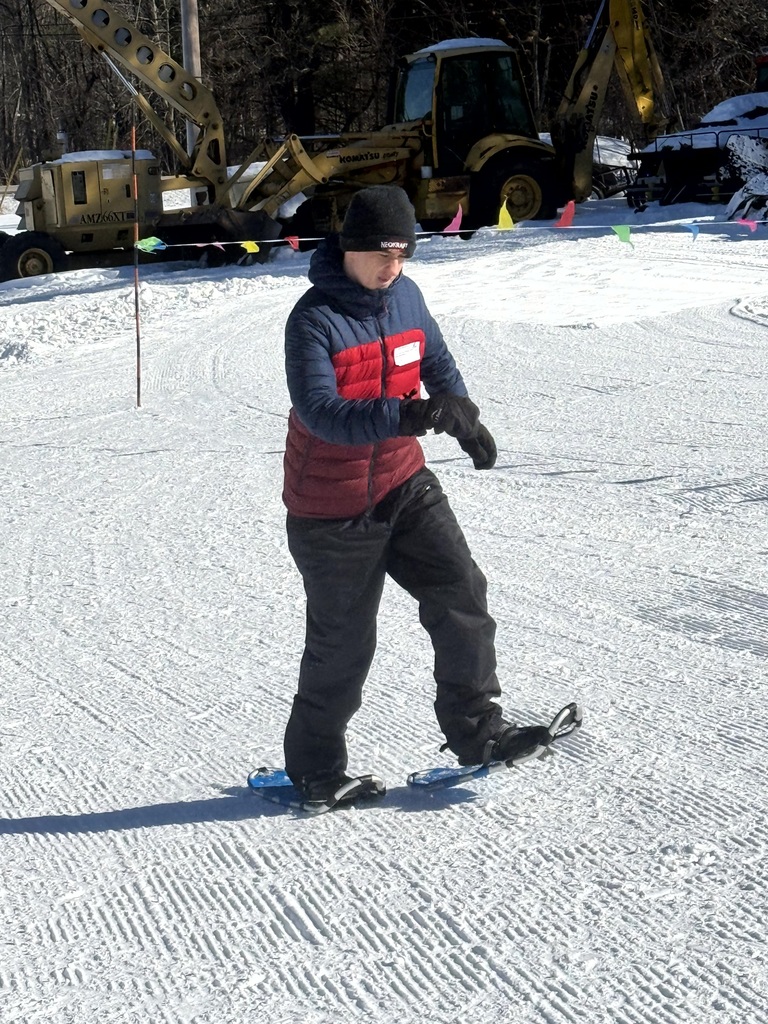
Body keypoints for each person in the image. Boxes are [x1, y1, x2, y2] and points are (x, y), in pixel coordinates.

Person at [281, 184, 550, 801]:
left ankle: (478, 731)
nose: (392, 267)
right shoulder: (313, 319)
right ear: (351, 247)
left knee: (462, 594)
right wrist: (408, 418)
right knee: (343, 644)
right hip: (331, 507)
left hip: (403, 483)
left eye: (402, 255)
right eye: (381, 254)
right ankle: (316, 769)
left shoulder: (406, 297)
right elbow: (322, 412)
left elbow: (437, 361)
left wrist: (463, 415)